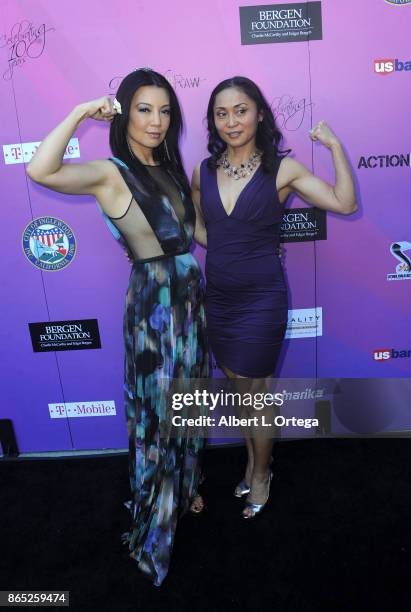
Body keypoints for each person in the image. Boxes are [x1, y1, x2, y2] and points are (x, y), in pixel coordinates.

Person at [27, 68, 209, 586]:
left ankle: (187, 479)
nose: (156, 121)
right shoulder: (110, 172)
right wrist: (81, 111)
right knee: (157, 413)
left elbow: (201, 232)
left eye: (165, 110)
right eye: (145, 109)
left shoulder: (174, 168)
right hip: (154, 309)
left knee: (189, 399)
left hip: (190, 301)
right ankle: (157, 517)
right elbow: (41, 170)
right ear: (126, 112)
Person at [191, 76, 358, 519]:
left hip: (262, 301)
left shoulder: (282, 168)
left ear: (259, 113)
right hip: (219, 300)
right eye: (221, 113)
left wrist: (334, 146)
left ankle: (262, 473)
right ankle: (251, 461)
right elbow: (198, 224)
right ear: (213, 120)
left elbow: (343, 202)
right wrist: (229, 247)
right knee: (243, 392)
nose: (232, 121)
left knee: (257, 394)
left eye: (241, 110)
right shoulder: (203, 171)